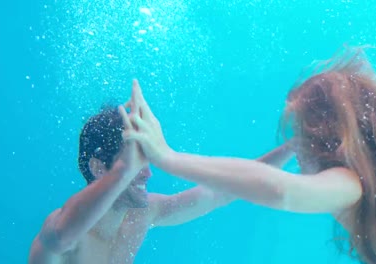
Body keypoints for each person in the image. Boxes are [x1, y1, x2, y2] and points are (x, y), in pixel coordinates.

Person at [122, 47, 376, 263]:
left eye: (299, 137)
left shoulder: (350, 184)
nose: (297, 153)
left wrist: (167, 157)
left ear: (330, 143)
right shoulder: (374, 188)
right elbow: (251, 182)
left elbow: (280, 189)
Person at [28, 84, 295, 264]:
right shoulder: (64, 234)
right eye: (133, 161)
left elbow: (220, 192)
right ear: (100, 168)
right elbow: (62, 235)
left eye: (146, 159)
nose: (147, 173)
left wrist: (295, 146)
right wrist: (123, 172)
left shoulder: (141, 215)